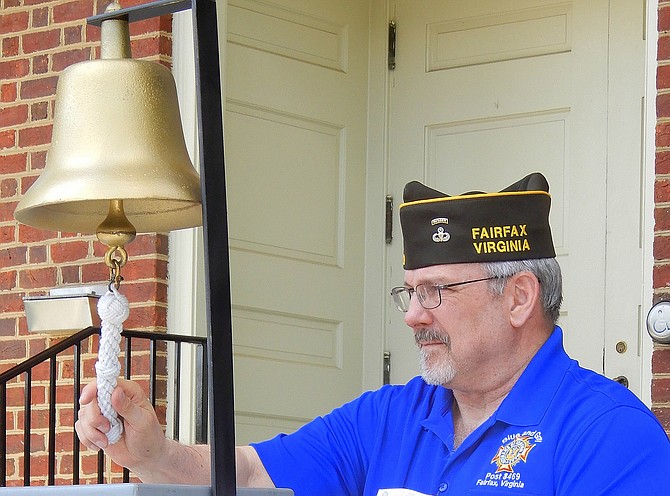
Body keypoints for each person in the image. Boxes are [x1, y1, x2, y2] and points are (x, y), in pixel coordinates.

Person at [76, 172, 670, 495]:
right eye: (410, 291)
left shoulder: (608, 434)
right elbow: (255, 473)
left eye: (437, 291)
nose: (413, 314)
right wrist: (154, 454)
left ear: (518, 297)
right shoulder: (391, 415)